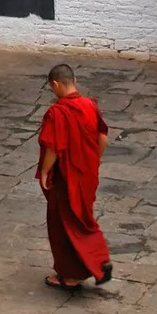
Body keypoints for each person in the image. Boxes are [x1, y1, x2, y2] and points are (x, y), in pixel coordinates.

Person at [36, 63, 111, 290]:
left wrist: (46, 171)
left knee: (63, 223)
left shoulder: (57, 113)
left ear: (55, 84)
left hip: (66, 177)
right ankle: (98, 259)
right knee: (84, 218)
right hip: (86, 174)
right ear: (74, 81)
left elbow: (53, 148)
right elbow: (102, 137)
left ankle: (71, 275)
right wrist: (92, 161)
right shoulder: (90, 105)